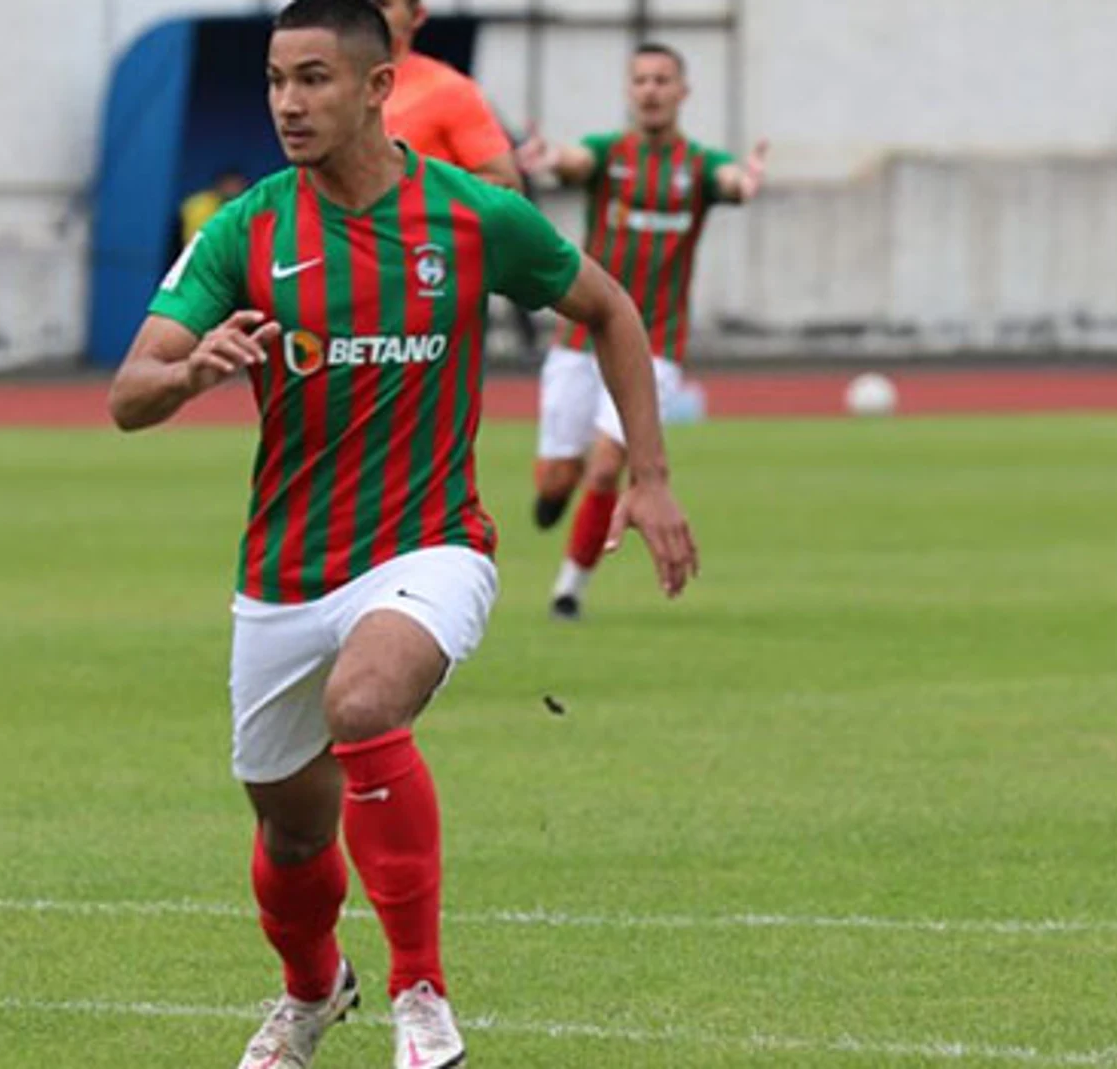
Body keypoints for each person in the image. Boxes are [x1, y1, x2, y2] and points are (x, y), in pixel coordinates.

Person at [107, 3, 698, 1067]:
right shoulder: (247, 228)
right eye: (278, 79)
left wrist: (648, 478)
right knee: (290, 832)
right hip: (285, 573)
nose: (289, 102)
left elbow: (610, 309)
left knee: (367, 701)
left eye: (315, 79)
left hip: (432, 542)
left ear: (380, 88)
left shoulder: (474, 218)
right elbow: (127, 390)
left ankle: (420, 994)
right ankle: (311, 990)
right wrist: (191, 371)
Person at [518, 43, 768, 620]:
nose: (651, 90)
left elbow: (730, 180)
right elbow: (574, 162)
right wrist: (551, 156)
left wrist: (745, 182)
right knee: (558, 479)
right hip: (579, 342)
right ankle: (560, 486)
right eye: (641, 80)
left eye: (662, 80)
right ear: (630, 92)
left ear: (682, 92)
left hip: (655, 346)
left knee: (609, 464)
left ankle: (568, 591)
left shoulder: (698, 166)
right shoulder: (609, 155)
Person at [372, 0, 520, 191]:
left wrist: (418, 198)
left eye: (382, 5)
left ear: (417, 16)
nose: (367, 15)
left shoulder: (450, 89)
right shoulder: (329, 84)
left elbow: (505, 184)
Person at [182, 168, 250, 245]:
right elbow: (197, 241)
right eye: (231, 185)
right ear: (220, 185)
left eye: (239, 185)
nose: (235, 189)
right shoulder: (201, 205)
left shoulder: (242, 207)